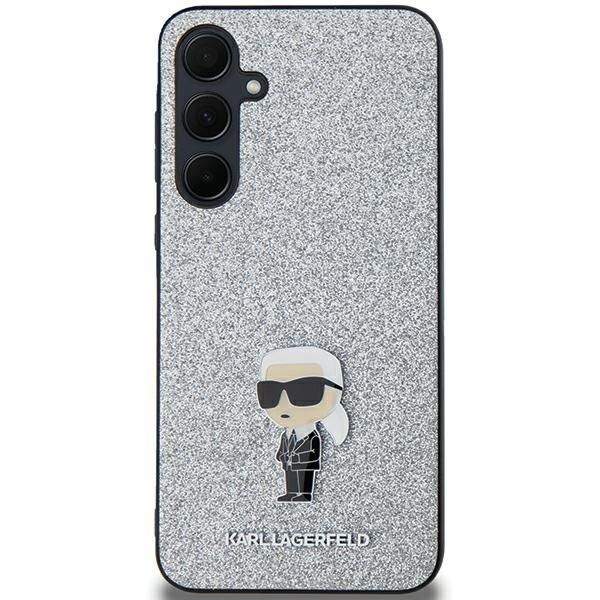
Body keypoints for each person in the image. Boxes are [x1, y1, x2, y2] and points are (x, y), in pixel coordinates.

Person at [257, 346, 349, 502]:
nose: (285, 402)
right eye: (271, 393)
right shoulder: (286, 434)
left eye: (305, 392)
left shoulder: (312, 436)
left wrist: (302, 456)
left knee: (304, 477)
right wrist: (281, 454)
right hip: (289, 462)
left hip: (304, 462)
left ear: (334, 393)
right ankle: (292, 492)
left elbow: (313, 449)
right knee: (290, 476)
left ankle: (304, 493)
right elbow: (283, 446)